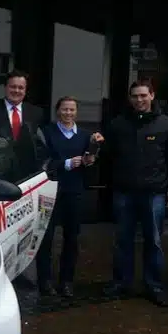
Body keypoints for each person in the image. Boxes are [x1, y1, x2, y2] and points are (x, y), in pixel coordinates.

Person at [103, 78, 168, 307]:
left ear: (152, 96)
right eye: (135, 96)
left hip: (154, 193)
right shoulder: (118, 124)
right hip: (124, 193)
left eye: (143, 95)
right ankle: (121, 283)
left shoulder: (166, 124)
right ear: (130, 99)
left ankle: (154, 285)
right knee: (122, 241)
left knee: (154, 242)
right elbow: (107, 156)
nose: (139, 100)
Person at [0, 69, 46, 289]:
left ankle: (20, 272)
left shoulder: (36, 113)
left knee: (22, 227)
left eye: (21, 87)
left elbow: (39, 146)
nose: (16, 91)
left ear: (25, 90)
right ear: (5, 87)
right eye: (13, 86)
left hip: (24, 182)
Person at [36, 96, 104, 297]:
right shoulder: (47, 132)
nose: (68, 113)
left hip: (74, 191)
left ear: (76, 112)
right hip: (50, 190)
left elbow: (90, 161)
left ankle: (66, 281)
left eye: (72, 110)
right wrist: (65, 164)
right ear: (58, 111)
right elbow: (42, 162)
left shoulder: (85, 136)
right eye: (64, 109)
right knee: (46, 237)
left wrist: (91, 159)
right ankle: (45, 281)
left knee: (71, 238)